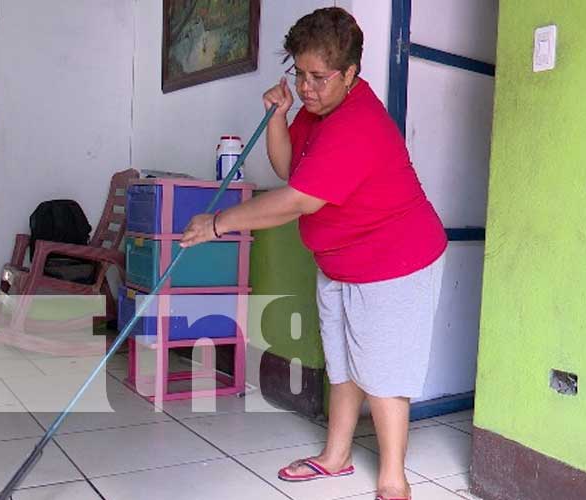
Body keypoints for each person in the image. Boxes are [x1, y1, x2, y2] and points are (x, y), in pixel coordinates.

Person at [181, 7, 446, 500]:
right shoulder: (313, 112)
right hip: (342, 263)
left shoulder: (359, 123)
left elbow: (299, 200)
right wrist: (277, 116)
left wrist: (219, 223)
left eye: (319, 77)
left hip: (396, 262)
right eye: (299, 74)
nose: (306, 87)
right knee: (344, 364)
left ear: (350, 74)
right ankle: (336, 457)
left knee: (383, 374)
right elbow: (288, 170)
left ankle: (394, 481)